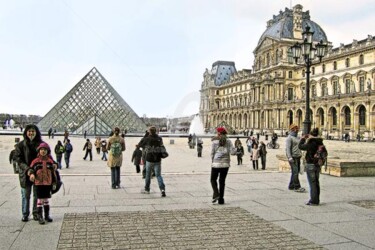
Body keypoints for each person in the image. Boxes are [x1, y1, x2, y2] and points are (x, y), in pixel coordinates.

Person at [14, 124, 43, 222]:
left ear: (36, 132)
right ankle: (25, 214)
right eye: (29, 131)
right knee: (25, 195)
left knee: (36, 195)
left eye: (33, 131)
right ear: (26, 132)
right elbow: (19, 160)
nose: (31, 133)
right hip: (25, 174)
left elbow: (45, 157)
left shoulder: (41, 144)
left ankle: (35, 214)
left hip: (38, 174)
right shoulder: (20, 145)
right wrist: (29, 171)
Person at [27, 142, 57, 224]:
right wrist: (32, 174)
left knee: (46, 199)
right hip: (38, 183)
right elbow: (30, 169)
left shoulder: (50, 161)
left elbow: (53, 173)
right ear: (39, 151)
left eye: (45, 150)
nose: (43, 151)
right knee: (40, 200)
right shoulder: (35, 161)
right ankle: (40, 216)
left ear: (47, 151)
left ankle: (47, 216)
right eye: (41, 150)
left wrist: (54, 183)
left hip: (47, 183)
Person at [298, 128, 324, 206]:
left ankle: (313, 201)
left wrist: (302, 139)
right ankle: (317, 199)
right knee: (316, 182)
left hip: (311, 164)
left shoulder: (311, 142)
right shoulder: (320, 142)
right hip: (318, 165)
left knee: (312, 183)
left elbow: (300, 146)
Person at [210, 127, 236, 205]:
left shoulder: (214, 141)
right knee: (222, 181)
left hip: (216, 164)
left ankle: (216, 193)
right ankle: (221, 199)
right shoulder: (228, 141)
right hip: (225, 164)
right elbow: (232, 152)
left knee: (213, 179)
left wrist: (213, 160)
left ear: (218, 133)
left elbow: (212, 153)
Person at [139, 126, 167, 197]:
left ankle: (147, 189)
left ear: (149, 132)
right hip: (157, 159)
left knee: (148, 175)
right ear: (156, 131)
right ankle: (162, 189)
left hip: (149, 159)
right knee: (158, 175)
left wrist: (146, 135)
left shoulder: (147, 139)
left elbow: (140, 144)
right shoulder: (159, 139)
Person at [285, 124, 305, 192]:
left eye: (297, 129)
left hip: (298, 156)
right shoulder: (289, 138)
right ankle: (297, 187)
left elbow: (300, 145)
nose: (297, 130)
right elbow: (288, 149)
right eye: (295, 129)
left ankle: (291, 186)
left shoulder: (297, 137)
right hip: (293, 157)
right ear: (292, 129)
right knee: (295, 172)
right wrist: (290, 157)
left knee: (295, 172)